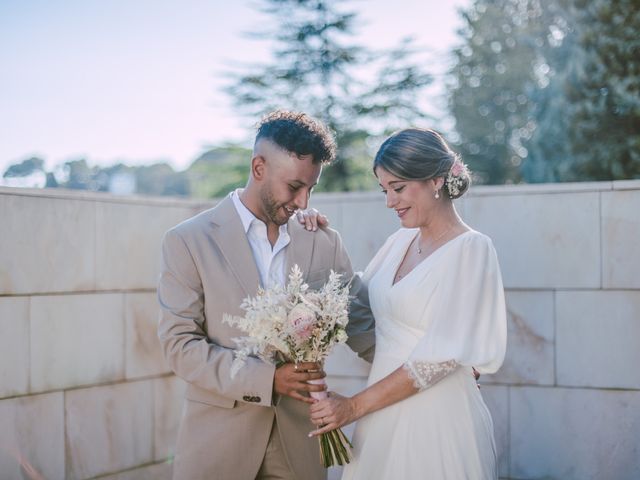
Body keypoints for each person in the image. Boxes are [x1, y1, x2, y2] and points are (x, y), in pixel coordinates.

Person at [157, 111, 374, 480]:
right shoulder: (189, 241)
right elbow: (179, 346)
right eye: (294, 187)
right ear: (259, 168)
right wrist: (268, 380)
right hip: (218, 445)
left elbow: (364, 326)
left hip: (302, 445)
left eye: (311, 189)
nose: (304, 202)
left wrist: (425, 365)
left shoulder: (323, 241)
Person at [309, 128, 507, 479]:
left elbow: (441, 357)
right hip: (381, 415)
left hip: (437, 418)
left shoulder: (472, 249)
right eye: (384, 190)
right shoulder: (399, 241)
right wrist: (317, 236)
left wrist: (352, 407)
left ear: (436, 180)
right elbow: (353, 301)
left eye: (398, 188)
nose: (389, 201)